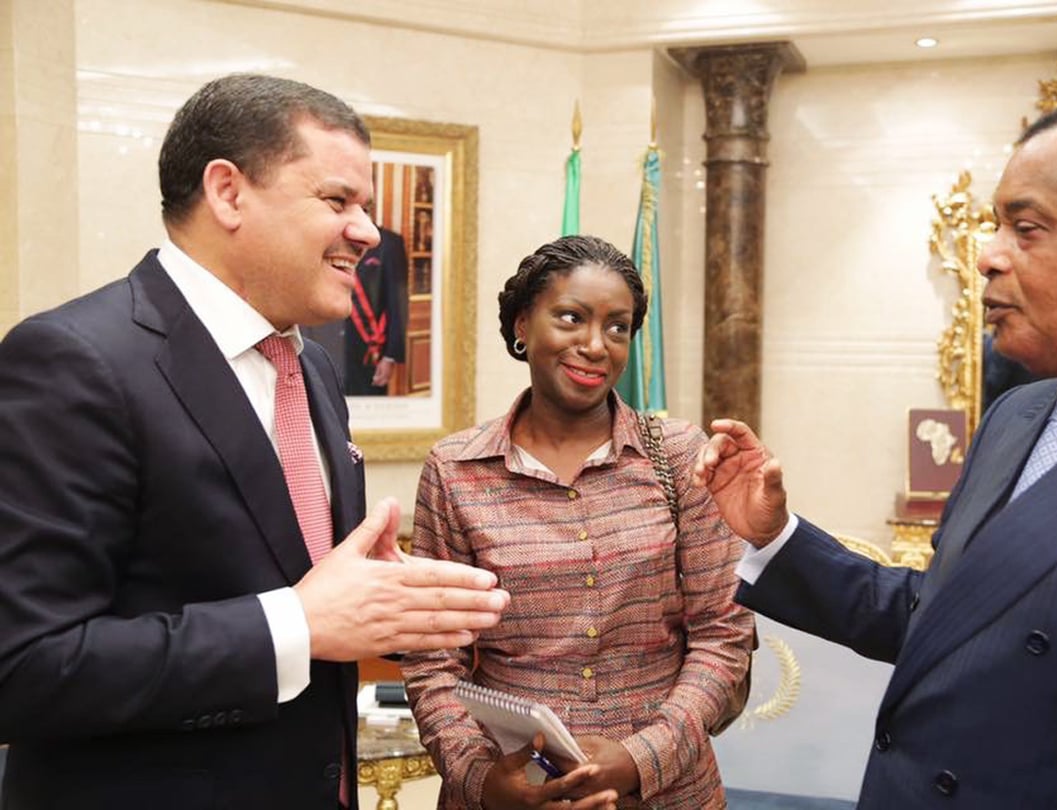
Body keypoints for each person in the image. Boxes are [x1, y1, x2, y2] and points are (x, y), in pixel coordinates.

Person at [0, 74, 511, 810]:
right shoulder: (74, 360)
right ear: (228, 193)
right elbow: (23, 666)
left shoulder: (311, 367)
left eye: (365, 207)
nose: (368, 232)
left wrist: (384, 603)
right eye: (338, 201)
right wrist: (298, 623)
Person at [693, 93, 1057, 808]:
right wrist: (773, 536)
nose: (986, 255)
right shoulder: (1019, 415)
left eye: (1025, 228)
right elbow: (944, 616)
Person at [401, 235, 755, 810]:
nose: (597, 345)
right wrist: (481, 779)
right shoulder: (457, 469)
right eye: (571, 318)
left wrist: (642, 757)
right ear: (522, 325)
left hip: (665, 793)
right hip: (511, 792)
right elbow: (431, 655)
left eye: (618, 328)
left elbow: (723, 632)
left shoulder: (682, 454)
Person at [305, 224, 408, 396]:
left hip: (368, 352)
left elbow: (397, 303)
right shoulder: (317, 238)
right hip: (322, 346)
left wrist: (391, 355)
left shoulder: (389, 243)